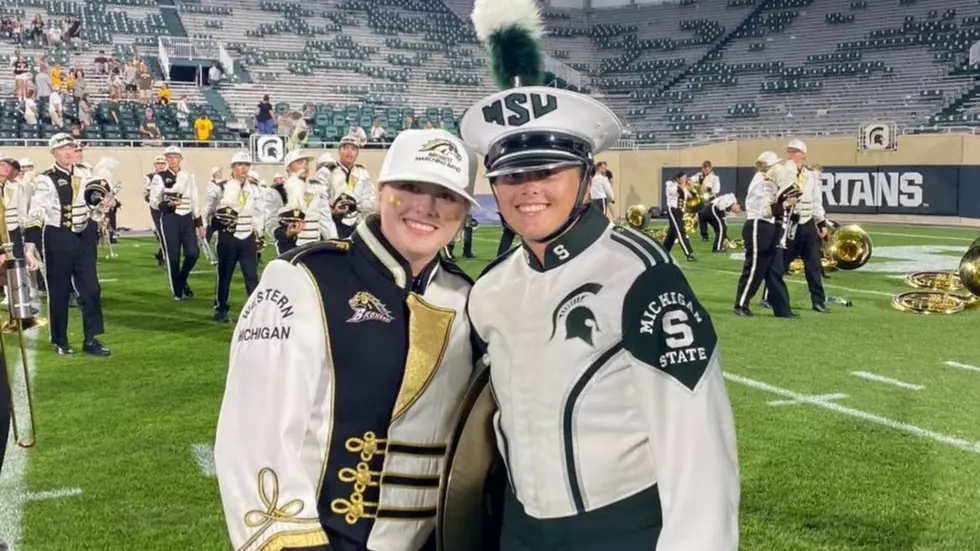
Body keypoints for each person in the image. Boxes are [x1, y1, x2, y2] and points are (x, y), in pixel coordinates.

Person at [456, 3, 740, 549]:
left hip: (622, 529)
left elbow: (699, 445)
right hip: (517, 529)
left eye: (546, 171)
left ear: (586, 179)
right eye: (510, 174)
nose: (527, 189)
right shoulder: (490, 289)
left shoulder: (642, 275)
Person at [214, 128, 480, 551]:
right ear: (382, 192)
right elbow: (255, 442)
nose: (426, 207)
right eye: (410, 187)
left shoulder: (467, 299)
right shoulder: (302, 279)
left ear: (464, 212)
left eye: (446, 196)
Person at [30, 133, 111, 355]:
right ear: (53, 152)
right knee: (59, 291)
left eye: (70, 147)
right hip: (58, 236)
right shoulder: (45, 178)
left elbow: (93, 208)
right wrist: (30, 247)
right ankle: (60, 339)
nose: (68, 152)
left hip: (85, 236)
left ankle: (91, 339)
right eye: (62, 148)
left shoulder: (87, 174)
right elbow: (38, 211)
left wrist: (104, 206)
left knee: (91, 289)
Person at [733, 151, 799, 318]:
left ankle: (782, 310)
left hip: (768, 227)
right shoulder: (761, 182)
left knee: (775, 270)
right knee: (755, 268)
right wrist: (785, 203)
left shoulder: (769, 181)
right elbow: (765, 210)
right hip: (758, 225)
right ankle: (741, 304)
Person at [211, 153, 263, 324]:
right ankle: (220, 308)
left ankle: (255, 311)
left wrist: (259, 234)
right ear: (232, 168)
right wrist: (218, 222)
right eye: (240, 165)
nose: (244, 169)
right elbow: (209, 212)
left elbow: (258, 213)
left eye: (247, 165)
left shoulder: (255, 188)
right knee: (225, 275)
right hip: (228, 237)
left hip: (247, 236)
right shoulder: (221, 187)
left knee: (251, 276)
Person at [149, 146, 204, 300]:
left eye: (176, 157)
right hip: (169, 218)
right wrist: (167, 205)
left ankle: (182, 278)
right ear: (166, 159)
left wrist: (199, 223)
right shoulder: (159, 177)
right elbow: (154, 201)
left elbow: (195, 199)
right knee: (173, 256)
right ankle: (177, 291)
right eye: (170, 157)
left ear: (181, 159)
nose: (173, 160)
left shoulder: (188, 176)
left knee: (193, 253)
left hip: (187, 218)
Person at [273, 150, 336, 254]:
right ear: (288, 167)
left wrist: (334, 241)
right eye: (299, 162)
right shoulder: (279, 190)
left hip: (315, 246)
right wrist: (286, 233)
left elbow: (326, 220)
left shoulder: (317, 188)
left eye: (306, 163)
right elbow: (272, 223)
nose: (305, 166)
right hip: (290, 247)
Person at [328, 136, 375, 238]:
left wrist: (356, 208)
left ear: (357, 153)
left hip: (357, 226)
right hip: (333, 225)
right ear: (339, 151)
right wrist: (333, 211)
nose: (349, 152)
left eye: (353, 149)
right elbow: (319, 201)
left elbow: (370, 199)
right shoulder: (328, 172)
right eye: (345, 148)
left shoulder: (362, 173)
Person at [662, 171, 696, 261]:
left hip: (680, 212)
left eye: (685, 178)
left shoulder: (684, 187)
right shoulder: (670, 184)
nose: (685, 180)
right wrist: (685, 186)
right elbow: (676, 191)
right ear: (678, 178)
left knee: (671, 234)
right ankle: (689, 254)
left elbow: (692, 197)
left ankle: (663, 252)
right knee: (681, 232)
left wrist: (692, 187)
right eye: (683, 178)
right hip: (673, 210)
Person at [143, 155, 167, 266]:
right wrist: (156, 200)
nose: (161, 166)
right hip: (156, 208)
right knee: (162, 233)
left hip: (169, 208)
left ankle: (161, 254)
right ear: (155, 165)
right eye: (159, 164)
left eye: (163, 163)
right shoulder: (149, 177)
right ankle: (164, 255)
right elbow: (146, 195)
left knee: (169, 233)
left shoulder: (170, 175)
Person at [691, 160, 719, 242]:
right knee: (701, 218)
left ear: (710, 168)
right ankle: (704, 236)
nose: (706, 169)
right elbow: (691, 180)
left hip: (711, 199)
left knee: (714, 218)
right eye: (704, 168)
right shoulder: (698, 176)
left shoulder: (714, 178)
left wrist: (708, 189)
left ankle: (719, 233)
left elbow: (717, 189)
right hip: (701, 200)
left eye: (707, 168)